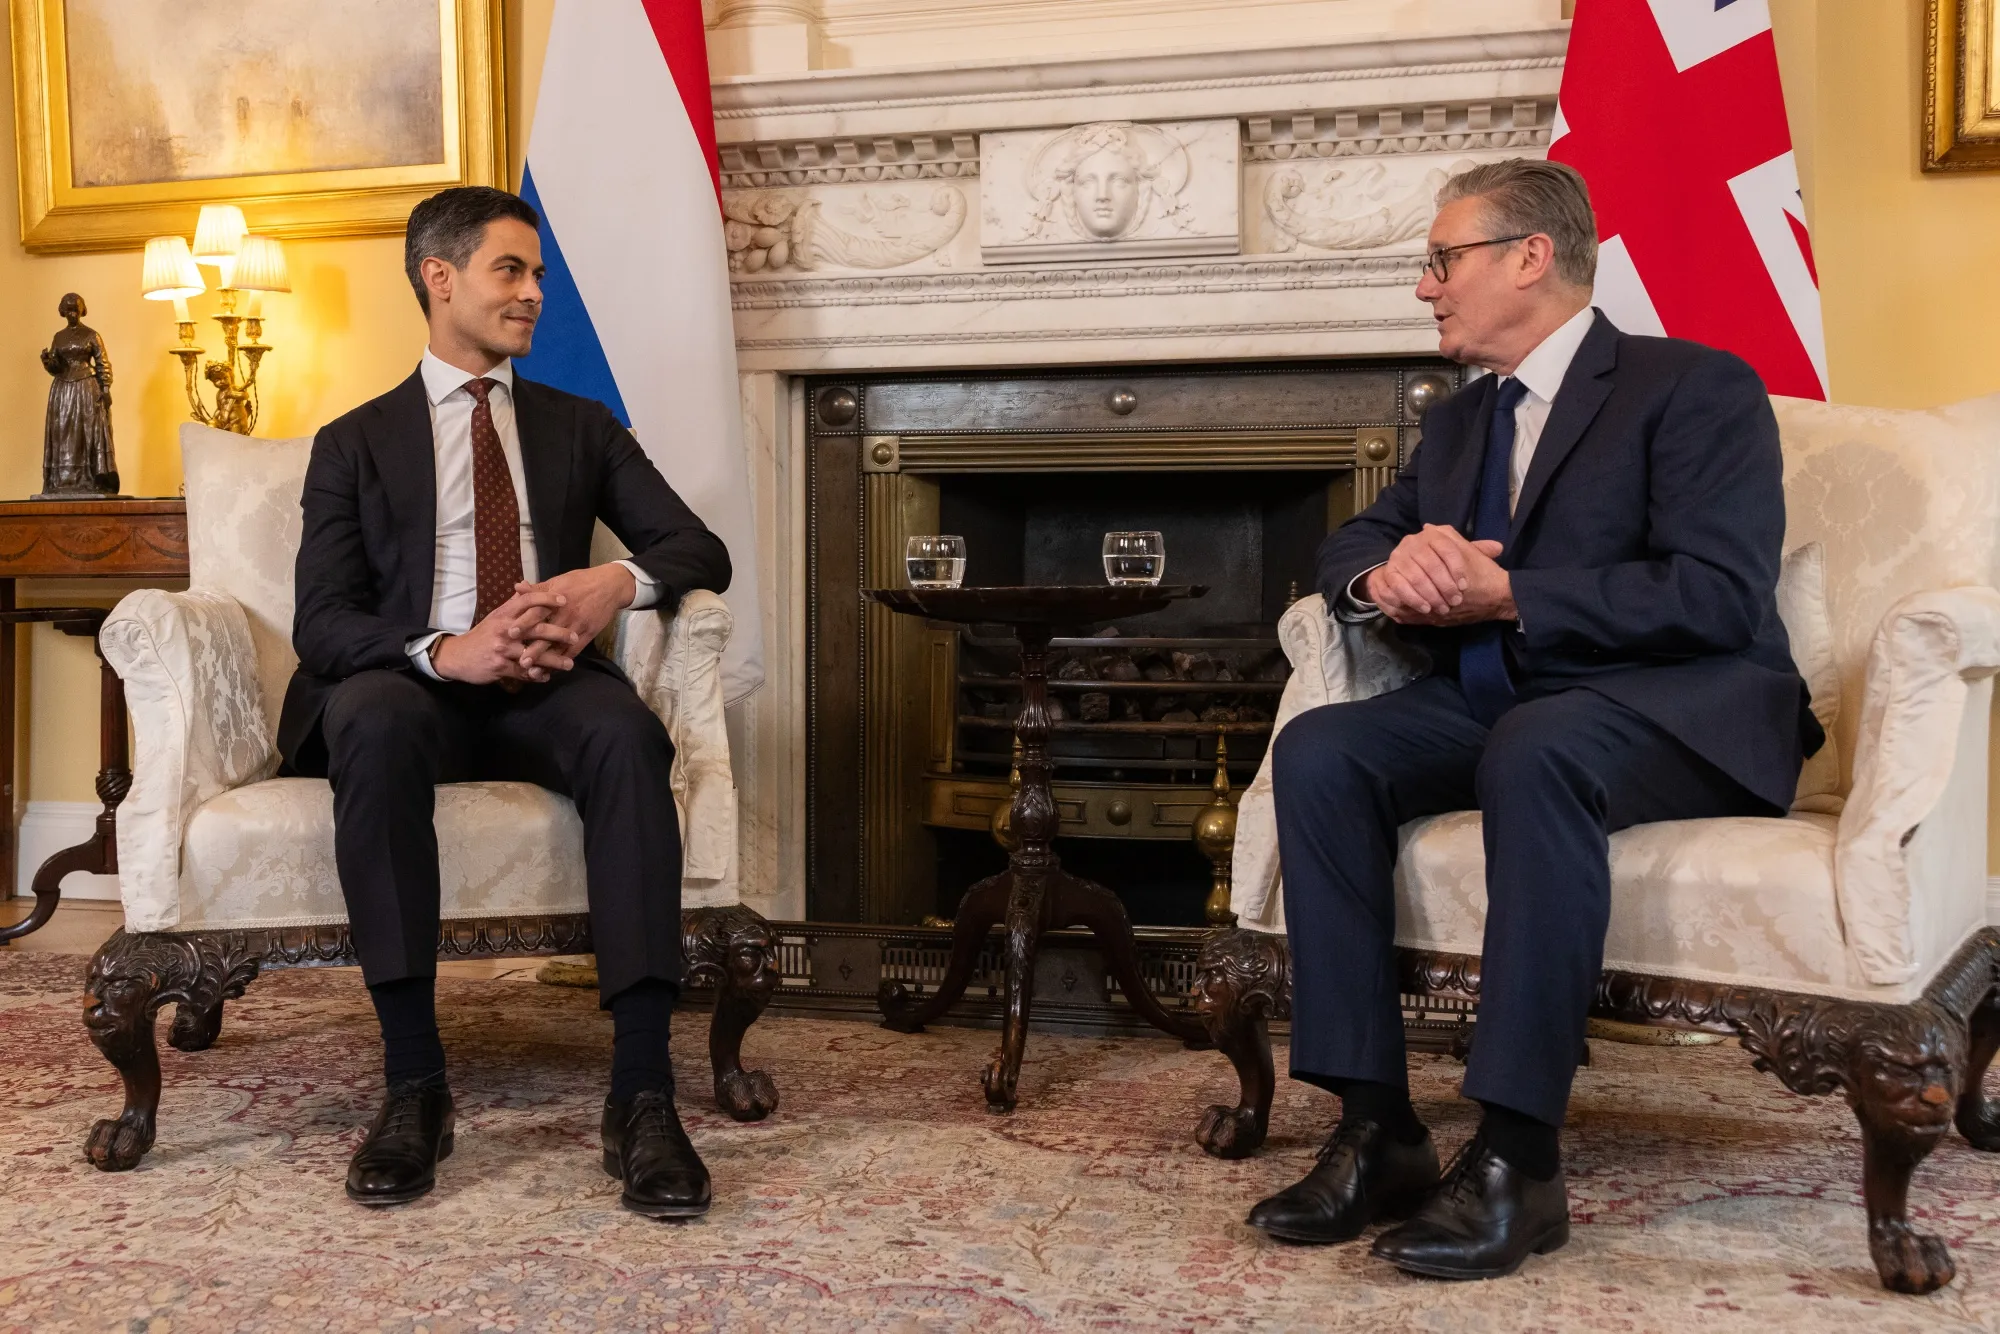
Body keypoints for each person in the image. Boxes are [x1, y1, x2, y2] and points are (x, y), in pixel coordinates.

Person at [1245, 159, 1822, 1280]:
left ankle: (1518, 1155)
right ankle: (1378, 1129)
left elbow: (1715, 594)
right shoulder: (1460, 424)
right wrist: (1390, 573)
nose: (1424, 288)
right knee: (1320, 749)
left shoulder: (1693, 385)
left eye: (1440, 260)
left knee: (1537, 744)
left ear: (1528, 256)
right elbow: (1352, 543)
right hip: (1504, 702)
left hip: (1680, 710)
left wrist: (1510, 594)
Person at [277, 186, 732, 1217]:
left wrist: (609, 584)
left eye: (537, 274)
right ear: (439, 278)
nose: (534, 293)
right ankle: (414, 1084)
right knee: (370, 718)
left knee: (625, 736)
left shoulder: (580, 426)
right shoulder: (353, 441)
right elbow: (323, 622)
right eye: (510, 271)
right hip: (415, 680)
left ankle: (642, 1094)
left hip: (546, 685)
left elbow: (696, 546)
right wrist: (447, 649)